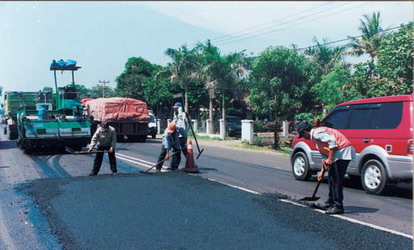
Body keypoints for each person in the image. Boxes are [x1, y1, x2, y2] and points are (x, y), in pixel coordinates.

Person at [297, 121, 356, 214]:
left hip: (342, 153)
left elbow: (332, 141)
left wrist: (330, 158)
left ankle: (338, 206)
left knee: (336, 180)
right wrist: (321, 172)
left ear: (304, 132)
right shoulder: (315, 138)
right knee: (331, 178)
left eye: (302, 135)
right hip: (337, 154)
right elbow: (325, 157)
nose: (304, 138)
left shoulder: (316, 133)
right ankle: (330, 202)